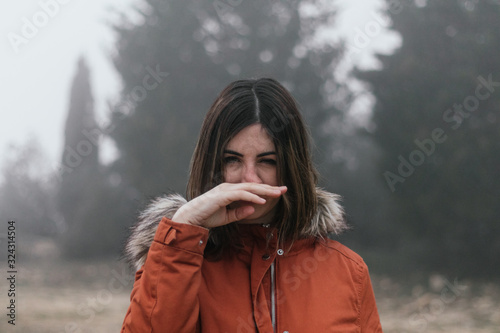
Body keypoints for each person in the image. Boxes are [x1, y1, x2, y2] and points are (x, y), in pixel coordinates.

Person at [121, 78, 383, 332]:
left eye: (267, 161)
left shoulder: (348, 271)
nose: (249, 178)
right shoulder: (176, 261)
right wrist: (182, 231)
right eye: (232, 160)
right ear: (212, 164)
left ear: (292, 167)